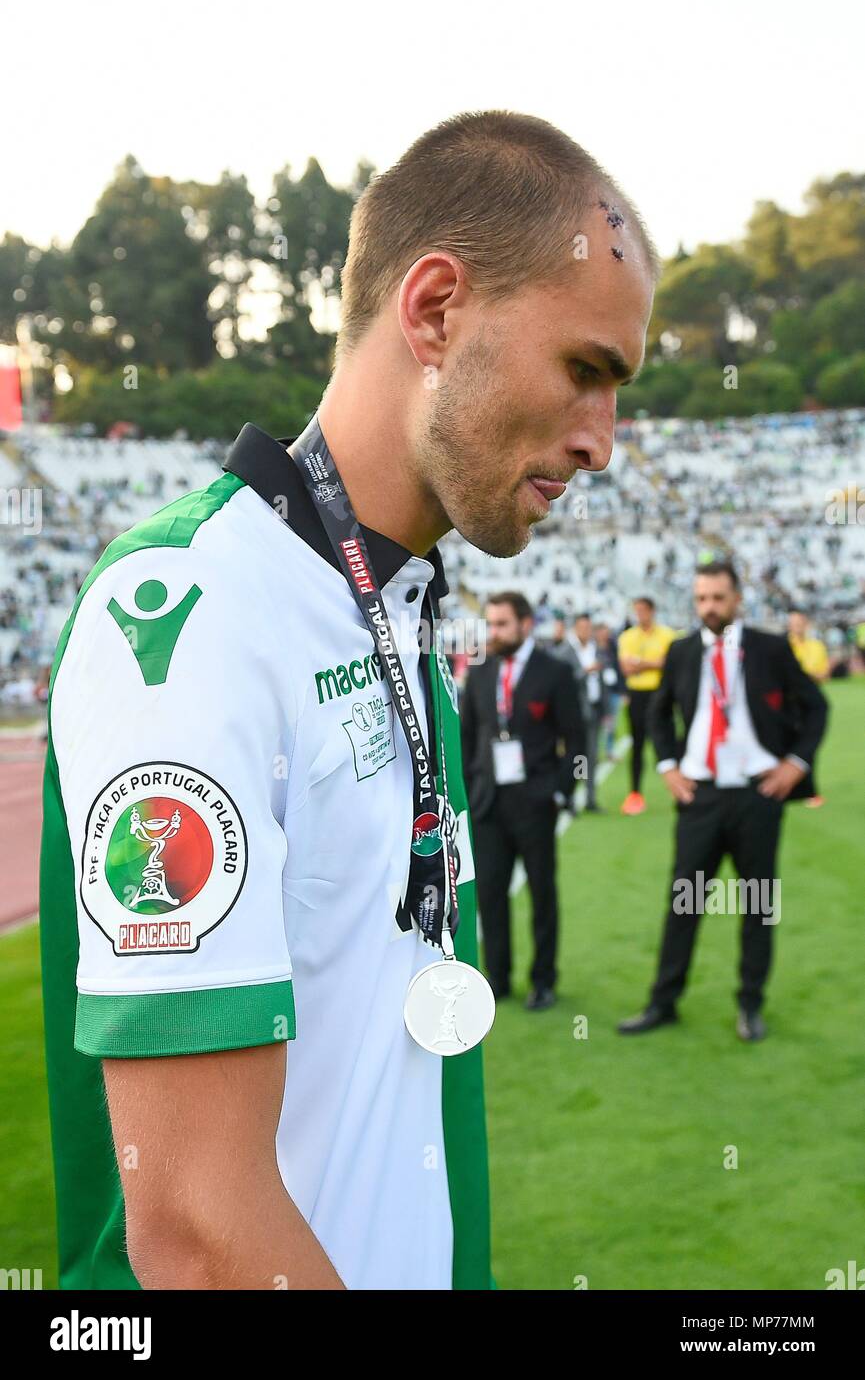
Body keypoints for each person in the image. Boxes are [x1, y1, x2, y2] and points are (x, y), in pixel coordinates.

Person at [38, 109, 658, 1289]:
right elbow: (200, 1233)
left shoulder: (392, 599)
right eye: (585, 371)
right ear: (432, 311)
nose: (602, 442)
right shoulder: (188, 612)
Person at [617, 562, 828, 1042]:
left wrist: (795, 763)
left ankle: (751, 1005)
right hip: (701, 796)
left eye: (718, 597)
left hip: (758, 794)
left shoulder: (770, 648)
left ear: (737, 599)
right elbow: (658, 714)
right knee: (684, 903)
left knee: (757, 904)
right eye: (701, 598)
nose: (709, 607)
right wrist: (668, 767)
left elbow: (816, 707)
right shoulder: (682, 650)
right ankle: (663, 1002)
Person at [460, 592, 586, 1009]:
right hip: (489, 804)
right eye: (490, 624)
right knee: (491, 894)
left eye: (501, 625)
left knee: (541, 893)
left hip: (535, 802)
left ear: (526, 624)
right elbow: (468, 737)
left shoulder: (555, 672)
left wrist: (559, 792)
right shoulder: (480, 672)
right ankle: (498, 977)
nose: (493, 633)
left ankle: (544, 980)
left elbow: (578, 741)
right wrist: (469, 787)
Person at [617, 596, 676, 814]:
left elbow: (669, 664)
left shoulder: (668, 635)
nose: (639, 614)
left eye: (642, 610)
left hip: (660, 694)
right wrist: (654, 663)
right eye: (636, 610)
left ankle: (679, 789)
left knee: (667, 743)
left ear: (652, 611)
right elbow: (626, 668)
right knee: (638, 745)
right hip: (638, 695)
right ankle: (635, 794)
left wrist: (640, 664)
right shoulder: (628, 636)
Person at [788, 608, 830, 808]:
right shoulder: (783, 646)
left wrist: (805, 676)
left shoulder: (817, 646)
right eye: (792, 623)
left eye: (798, 623)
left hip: (811, 704)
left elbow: (823, 674)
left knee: (808, 745)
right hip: (789, 703)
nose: (795, 627)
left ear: (806, 624)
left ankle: (809, 791)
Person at [573, 611, 607, 811]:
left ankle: (590, 798)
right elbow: (565, 681)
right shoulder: (567, 652)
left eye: (588, 627)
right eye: (582, 627)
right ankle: (572, 798)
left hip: (594, 710)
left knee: (592, 756)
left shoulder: (595, 649)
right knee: (578, 757)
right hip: (576, 713)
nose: (585, 631)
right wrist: (585, 672)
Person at [595, 620, 624, 760]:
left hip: (613, 691)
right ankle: (594, 752)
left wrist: (623, 691)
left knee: (611, 723)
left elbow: (619, 668)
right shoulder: (592, 648)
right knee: (597, 723)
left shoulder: (613, 646)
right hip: (598, 692)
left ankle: (609, 750)